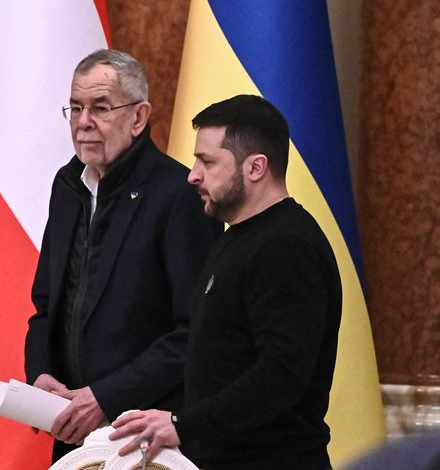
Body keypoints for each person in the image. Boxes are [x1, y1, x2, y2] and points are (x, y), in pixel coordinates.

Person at [110, 94, 343, 469]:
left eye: (207, 161)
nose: (192, 174)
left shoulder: (287, 247)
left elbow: (280, 376)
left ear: (255, 168)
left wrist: (182, 424)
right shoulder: (237, 236)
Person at [24, 49, 221, 462]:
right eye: (75, 108)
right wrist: (40, 375)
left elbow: (196, 333)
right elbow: (46, 306)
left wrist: (105, 396)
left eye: (100, 108)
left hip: (144, 435)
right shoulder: (67, 186)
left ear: (138, 116)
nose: (83, 122)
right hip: (72, 432)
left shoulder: (178, 196)